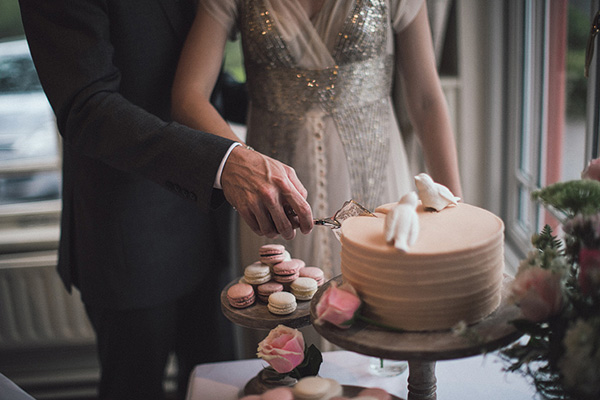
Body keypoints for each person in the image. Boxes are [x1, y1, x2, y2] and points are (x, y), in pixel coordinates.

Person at [18, 1, 313, 400]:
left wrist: (302, 99)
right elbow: (87, 106)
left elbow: (201, 79)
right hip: (128, 232)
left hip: (208, 226)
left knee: (218, 384)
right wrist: (225, 161)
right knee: (134, 387)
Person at [172, 0, 462, 285]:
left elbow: (426, 101)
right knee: (282, 319)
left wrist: (458, 216)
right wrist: (244, 165)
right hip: (273, 200)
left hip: (378, 187)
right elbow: (188, 96)